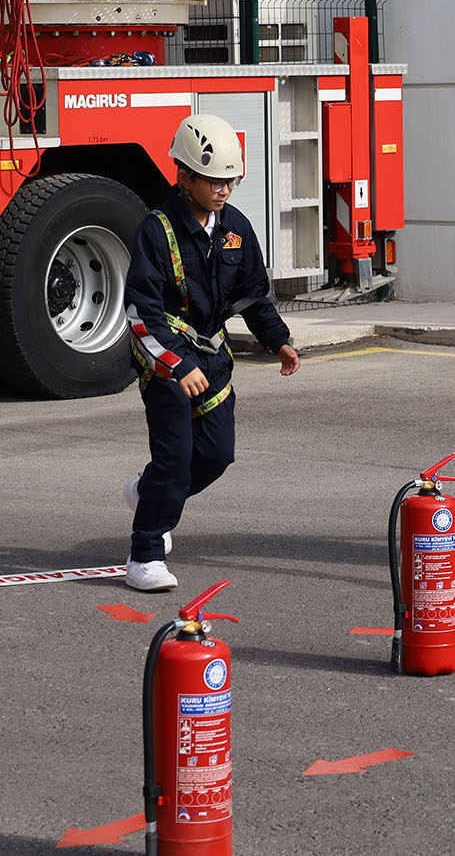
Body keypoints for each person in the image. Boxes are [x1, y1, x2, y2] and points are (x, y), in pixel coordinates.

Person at [122, 112, 301, 592]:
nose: (222, 190)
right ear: (183, 175)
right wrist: (176, 366)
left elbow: (251, 296)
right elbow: (141, 314)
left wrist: (277, 339)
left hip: (215, 358)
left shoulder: (236, 228)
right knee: (174, 460)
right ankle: (145, 554)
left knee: (217, 455)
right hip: (165, 360)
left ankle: (148, 495)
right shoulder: (156, 230)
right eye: (213, 181)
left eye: (229, 180)